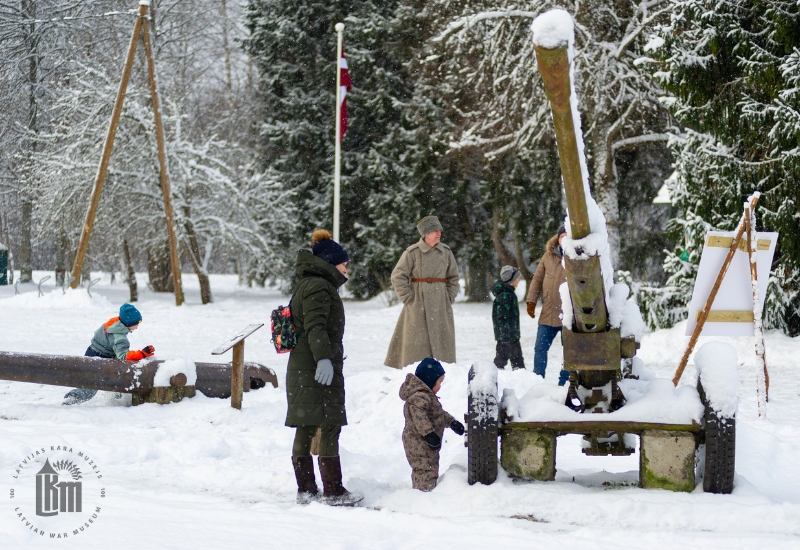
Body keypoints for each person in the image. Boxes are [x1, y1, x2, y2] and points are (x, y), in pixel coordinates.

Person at [286, 229, 361, 506]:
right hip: (316, 367)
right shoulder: (319, 286)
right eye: (343, 263)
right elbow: (316, 327)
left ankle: (306, 490)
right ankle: (333, 491)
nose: (346, 268)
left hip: (303, 366)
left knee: (306, 426)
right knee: (329, 424)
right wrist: (325, 359)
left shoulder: (307, 283)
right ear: (331, 262)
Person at [385, 216, 460, 369]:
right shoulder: (412, 252)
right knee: (416, 343)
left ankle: (442, 371)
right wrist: (407, 297)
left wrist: (449, 296)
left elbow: (453, 277)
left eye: (439, 230)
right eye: (434, 231)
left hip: (440, 303)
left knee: (442, 340)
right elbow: (398, 275)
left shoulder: (445, 252)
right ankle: (415, 371)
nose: (438, 234)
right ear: (425, 233)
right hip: (417, 303)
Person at [62, 303, 155, 405]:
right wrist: (142, 354)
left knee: (116, 379)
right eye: (138, 322)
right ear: (129, 323)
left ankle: (118, 399)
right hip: (99, 360)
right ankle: (71, 399)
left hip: (92, 352)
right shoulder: (119, 337)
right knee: (91, 387)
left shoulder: (114, 323)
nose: (138, 325)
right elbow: (123, 356)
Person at [399, 358, 464, 491]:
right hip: (418, 442)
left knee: (429, 468)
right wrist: (429, 434)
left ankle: (425, 491)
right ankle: (423, 496)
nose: (440, 386)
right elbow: (419, 416)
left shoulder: (426, 396)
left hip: (424, 443)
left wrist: (452, 422)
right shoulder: (419, 398)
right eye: (439, 382)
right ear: (429, 380)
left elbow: (437, 415)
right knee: (424, 470)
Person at [526, 226, 570, 386]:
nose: (563, 239)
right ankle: (538, 381)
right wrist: (531, 300)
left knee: (569, 352)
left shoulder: (577, 255)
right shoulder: (548, 255)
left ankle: (565, 382)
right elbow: (537, 279)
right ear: (557, 239)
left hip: (569, 315)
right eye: (561, 236)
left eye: (567, 236)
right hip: (548, 312)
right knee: (540, 348)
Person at [492, 266, 525, 370]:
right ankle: (496, 374)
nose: (519, 280)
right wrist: (505, 336)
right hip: (506, 336)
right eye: (517, 278)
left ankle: (520, 375)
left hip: (512, 334)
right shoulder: (505, 295)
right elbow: (501, 317)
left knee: (517, 359)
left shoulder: (509, 293)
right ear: (511, 280)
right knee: (501, 359)